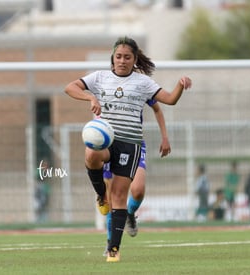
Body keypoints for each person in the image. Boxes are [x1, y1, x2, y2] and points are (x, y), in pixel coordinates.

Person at [64, 36, 192, 262]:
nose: (122, 61)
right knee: (91, 153)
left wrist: (180, 85)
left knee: (122, 196)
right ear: (113, 58)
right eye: (118, 56)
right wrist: (89, 96)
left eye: (127, 57)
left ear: (134, 60)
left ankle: (113, 249)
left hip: (130, 144)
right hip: (106, 141)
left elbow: (170, 100)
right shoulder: (100, 77)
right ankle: (100, 195)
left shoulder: (142, 83)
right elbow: (69, 87)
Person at [104, 99, 171, 252]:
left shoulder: (140, 84)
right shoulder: (104, 83)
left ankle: (129, 213)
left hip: (134, 143)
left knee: (138, 189)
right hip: (110, 144)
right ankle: (111, 242)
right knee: (111, 197)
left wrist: (165, 137)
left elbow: (158, 108)